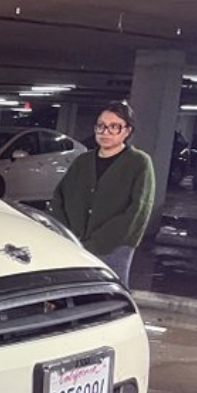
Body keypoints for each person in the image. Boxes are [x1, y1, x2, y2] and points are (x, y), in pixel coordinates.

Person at [47, 101, 156, 285]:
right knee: (74, 292)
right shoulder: (83, 161)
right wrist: (67, 234)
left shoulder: (139, 163)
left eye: (114, 127)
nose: (105, 132)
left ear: (127, 131)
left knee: (107, 294)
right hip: (75, 243)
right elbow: (59, 198)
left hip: (114, 246)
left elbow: (138, 210)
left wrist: (97, 242)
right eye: (101, 126)